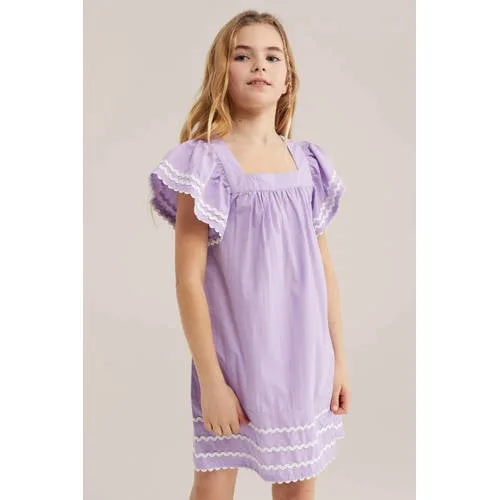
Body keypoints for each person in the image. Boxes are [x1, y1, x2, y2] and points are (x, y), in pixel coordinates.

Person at [149, 9, 351, 500]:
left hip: (304, 362)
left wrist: (339, 361)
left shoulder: (308, 165)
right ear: (222, 70)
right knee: (214, 487)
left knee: (298, 489)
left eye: (272, 56)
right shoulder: (204, 165)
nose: (259, 64)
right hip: (234, 363)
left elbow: (324, 270)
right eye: (243, 55)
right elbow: (188, 282)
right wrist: (211, 381)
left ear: (288, 78)